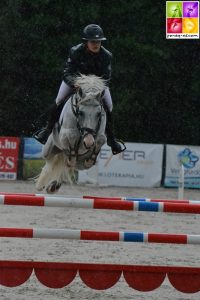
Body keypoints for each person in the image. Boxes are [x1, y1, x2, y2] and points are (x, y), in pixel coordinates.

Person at [33, 24, 122, 155]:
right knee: (59, 100)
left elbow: (106, 77)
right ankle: (47, 131)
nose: (96, 44)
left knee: (109, 106)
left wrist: (96, 86)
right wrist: (75, 83)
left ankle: (111, 140)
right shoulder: (75, 51)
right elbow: (67, 71)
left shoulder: (106, 55)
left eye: (98, 41)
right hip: (75, 83)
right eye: (93, 41)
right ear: (86, 42)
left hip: (96, 86)